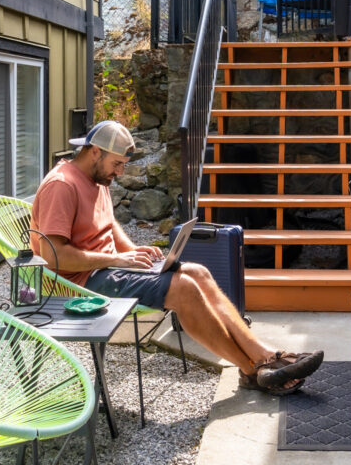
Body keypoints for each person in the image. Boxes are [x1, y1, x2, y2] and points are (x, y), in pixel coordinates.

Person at [30, 120, 323, 395]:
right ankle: (252, 369)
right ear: (94, 152)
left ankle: (263, 355)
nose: (119, 172)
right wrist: (116, 261)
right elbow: (54, 256)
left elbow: (108, 225)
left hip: (105, 271)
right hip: (79, 284)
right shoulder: (63, 185)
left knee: (198, 273)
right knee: (184, 289)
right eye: (116, 164)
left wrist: (130, 250)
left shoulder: (97, 179)